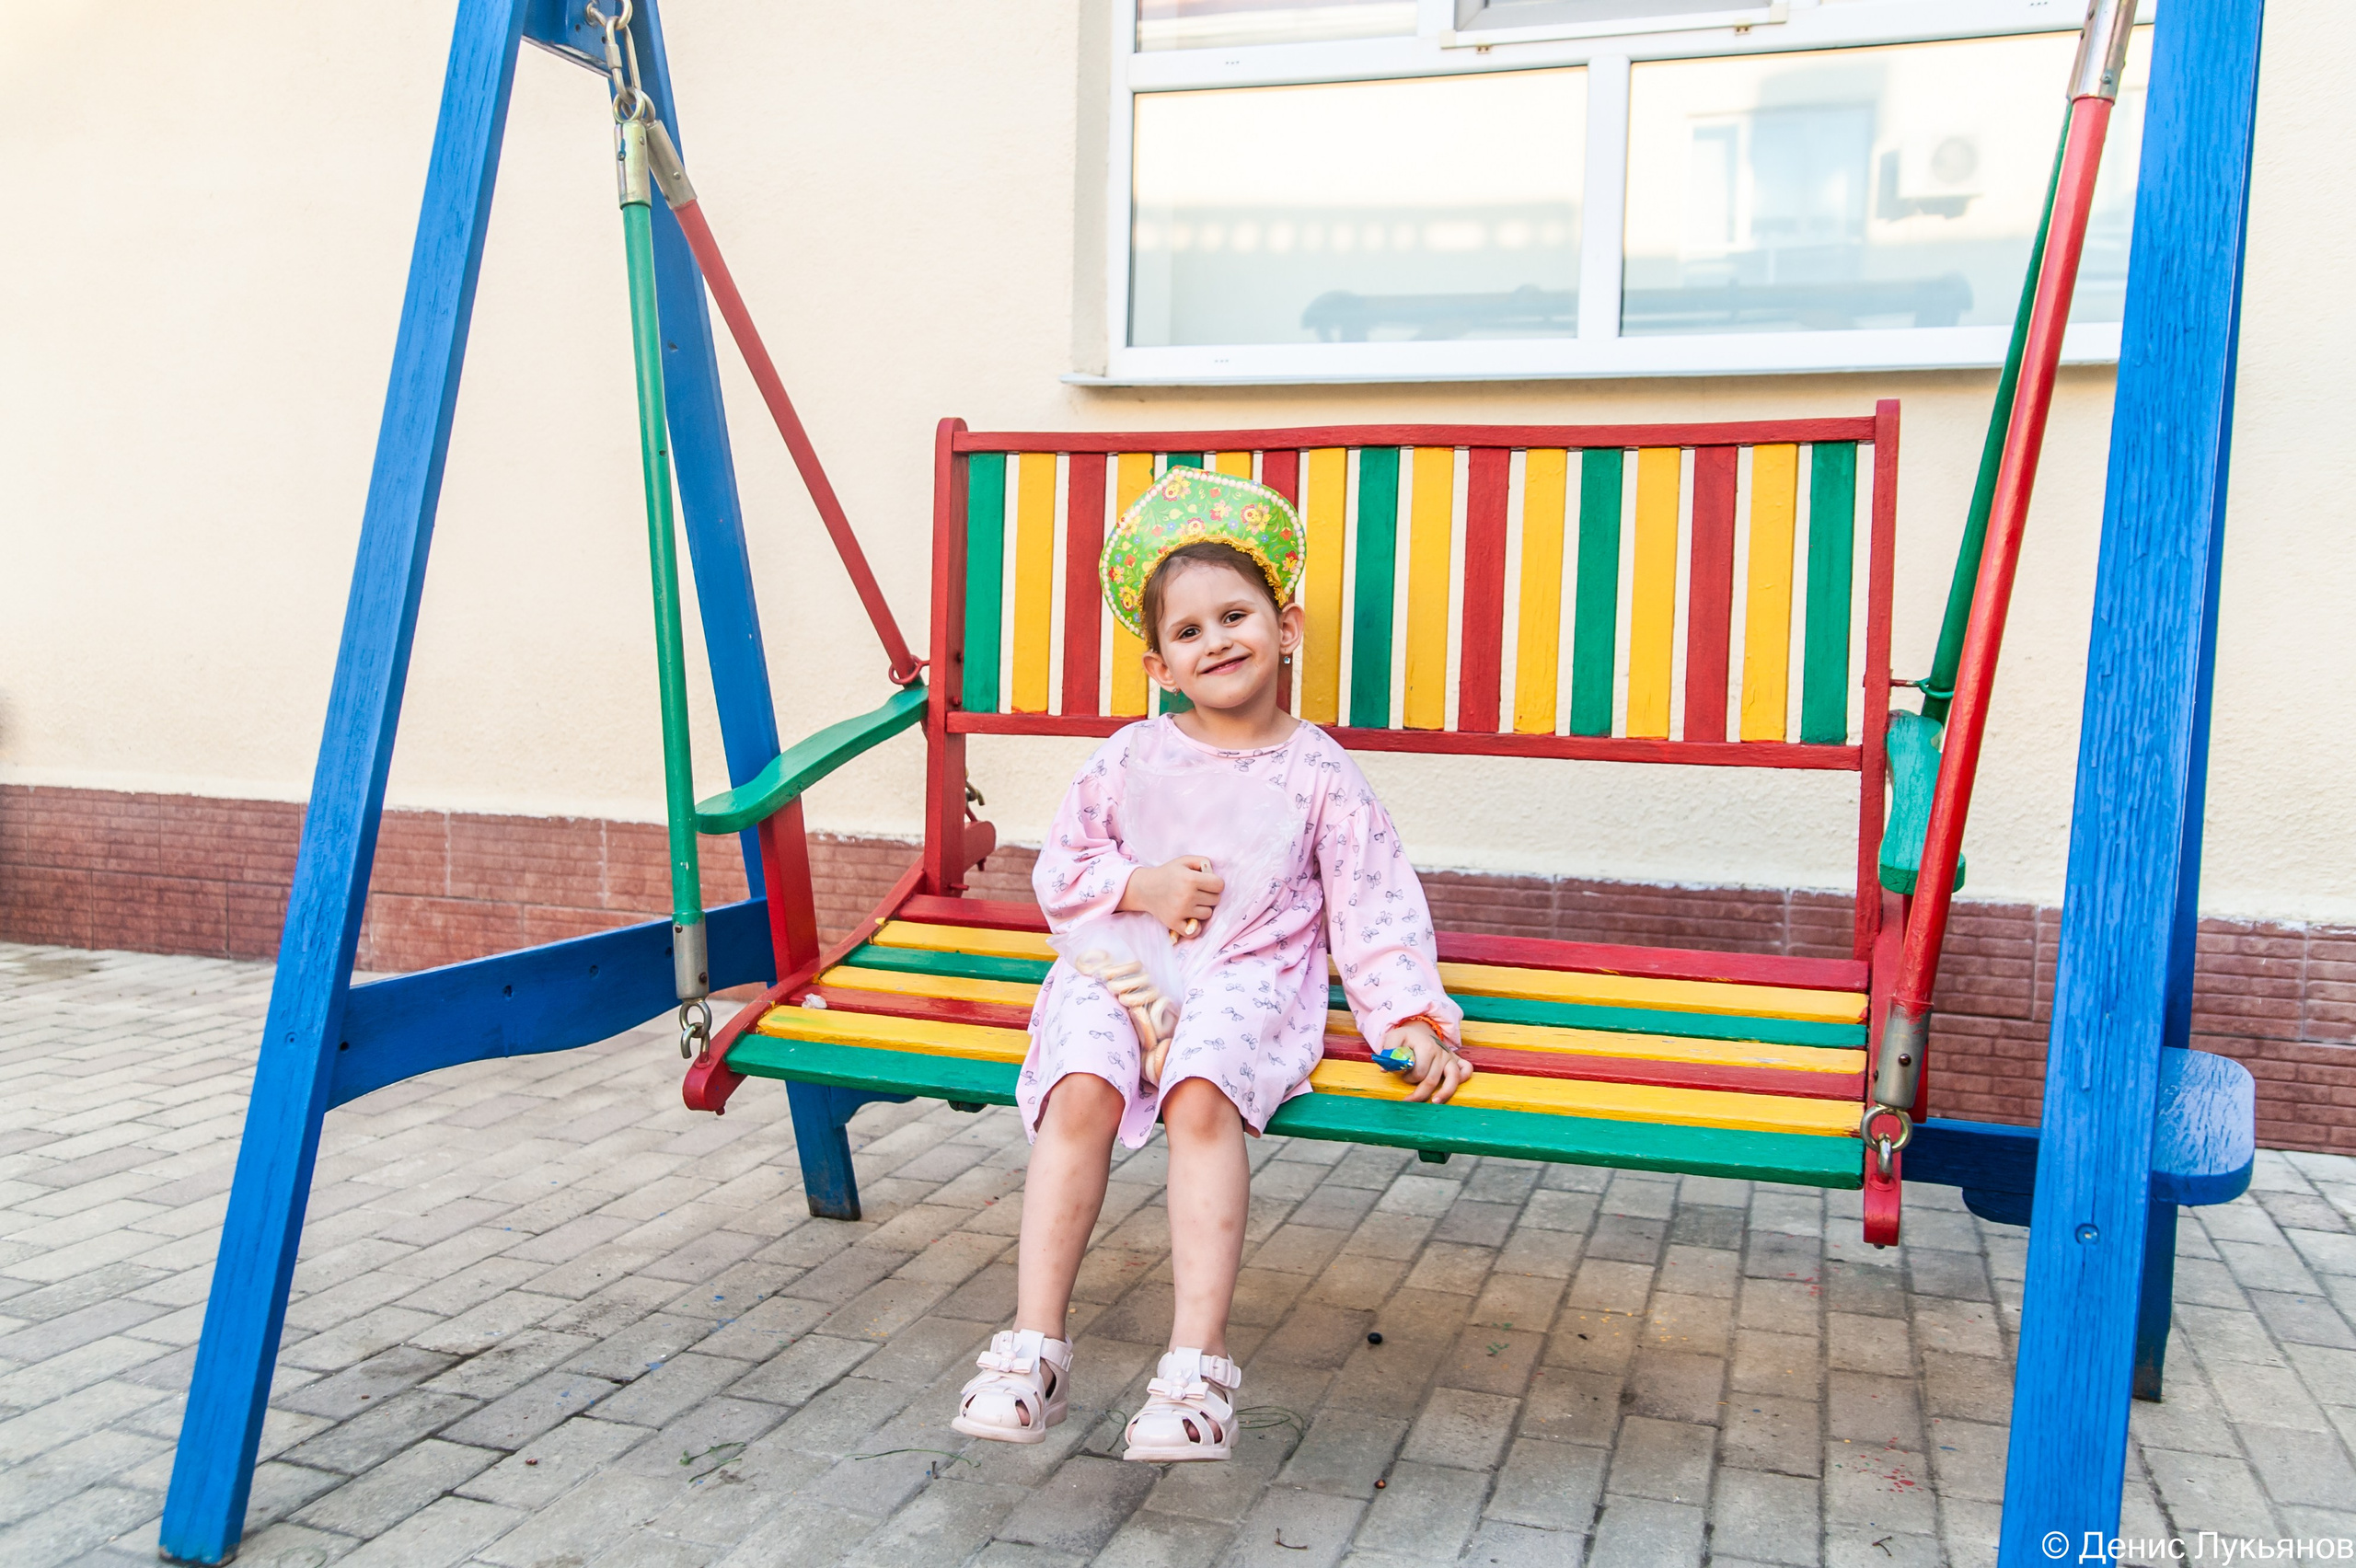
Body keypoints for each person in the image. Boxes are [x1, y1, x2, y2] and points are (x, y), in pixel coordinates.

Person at [950, 466, 1474, 1462]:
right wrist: (1139, 885)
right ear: (1160, 667)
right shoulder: (1128, 758)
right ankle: (1033, 1347)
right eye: (1189, 632)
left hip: (1249, 973)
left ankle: (1197, 1367)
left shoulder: (1319, 773)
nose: (1217, 641)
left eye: (1235, 616)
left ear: (1286, 628)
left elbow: (1370, 902)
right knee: (1079, 1083)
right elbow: (1062, 868)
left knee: (1201, 1094)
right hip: (1124, 965)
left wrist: (1409, 1013)